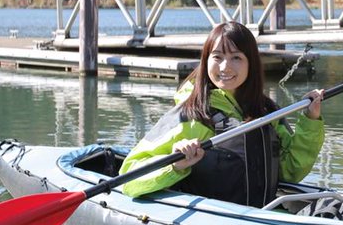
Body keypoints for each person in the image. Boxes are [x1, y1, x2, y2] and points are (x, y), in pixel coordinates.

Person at [118, 21, 324, 206]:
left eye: (236, 58)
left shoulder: (266, 111)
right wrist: (175, 165)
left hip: (263, 215)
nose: (225, 67)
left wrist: (310, 120)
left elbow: (290, 171)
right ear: (206, 61)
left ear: (251, 64)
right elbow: (129, 176)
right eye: (217, 57)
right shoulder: (191, 115)